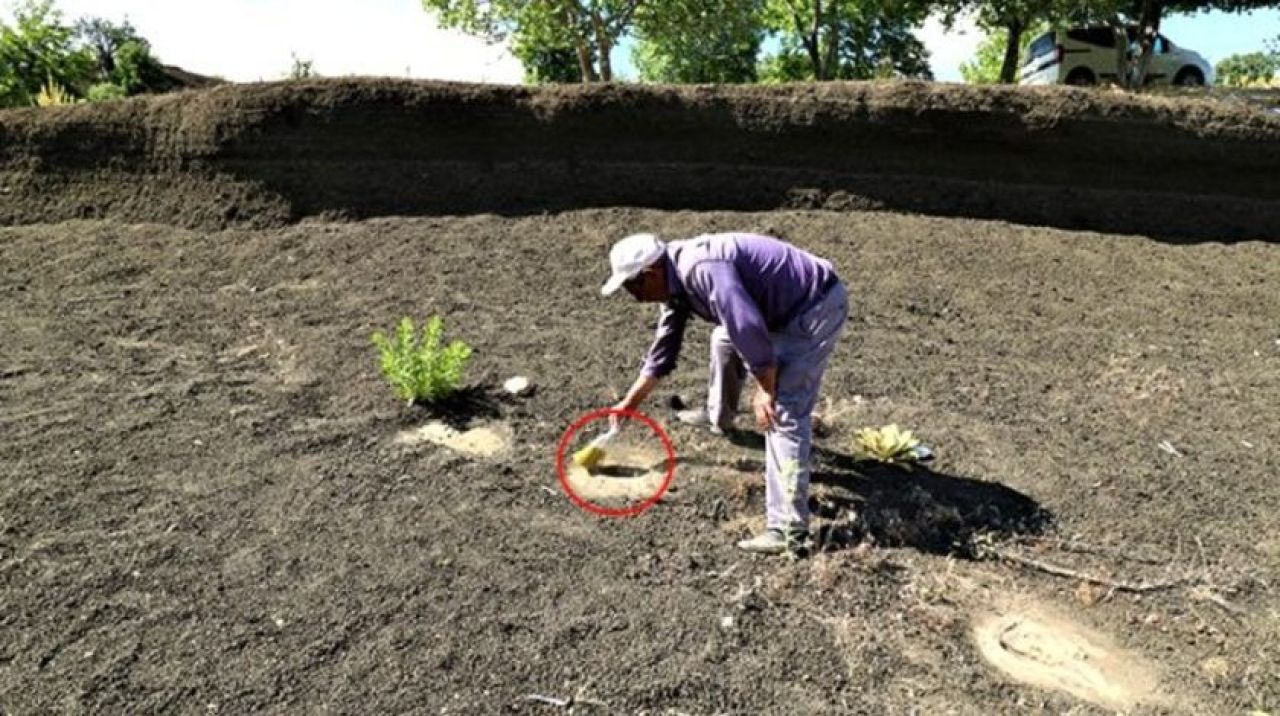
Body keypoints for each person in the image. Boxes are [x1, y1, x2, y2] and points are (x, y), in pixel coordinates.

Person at [600, 232, 848, 556]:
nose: (632, 296)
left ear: (651, 273)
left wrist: (765, 388)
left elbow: (746, 326)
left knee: (782, 413)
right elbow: (664, 350)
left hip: (812, 307)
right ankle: (720, 417)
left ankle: (789, 530)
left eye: (632, 286)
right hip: (772, 308)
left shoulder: (701, 269)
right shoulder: (674, 278)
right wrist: (628, 405)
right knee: (722, 340)